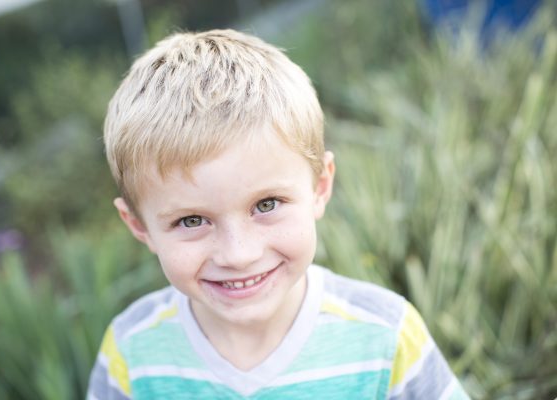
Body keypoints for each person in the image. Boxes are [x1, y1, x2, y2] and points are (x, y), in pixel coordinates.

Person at [86, 29, 470, 399]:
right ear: (139, 226)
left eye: (266, 205)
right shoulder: (130, 354)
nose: (239, 255)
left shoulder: (387, 337)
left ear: (320, 186)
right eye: (191, 221)